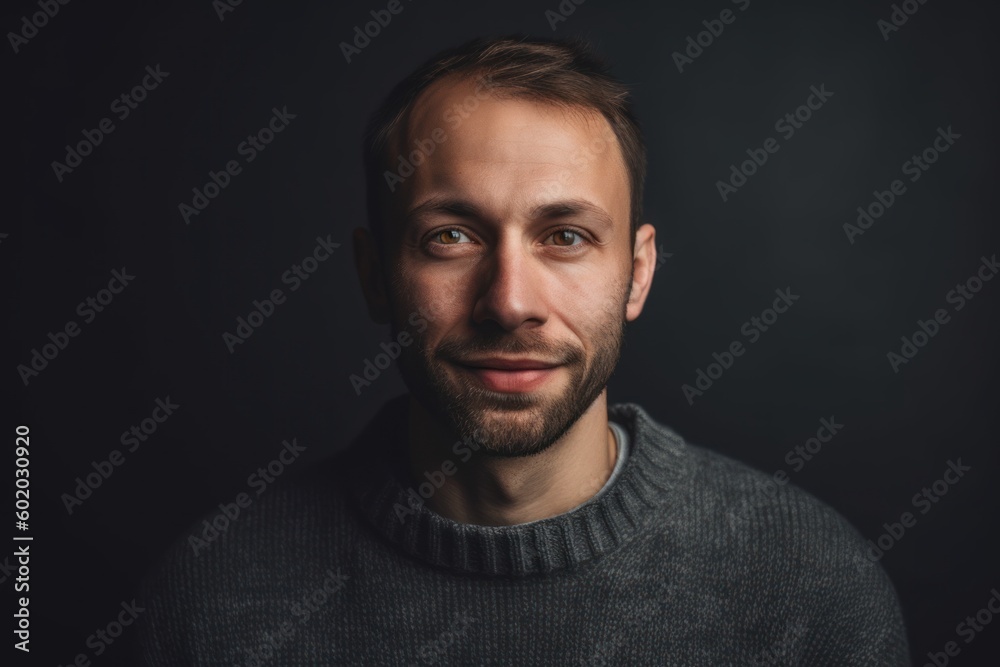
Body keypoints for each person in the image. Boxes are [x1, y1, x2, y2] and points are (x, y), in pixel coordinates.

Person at [138, 35, 911, 665]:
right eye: (452, 236)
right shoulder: (213, 601)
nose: (509, 301)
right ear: (376, 276)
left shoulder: (812, 591)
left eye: (566, 237)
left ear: (637, 273)